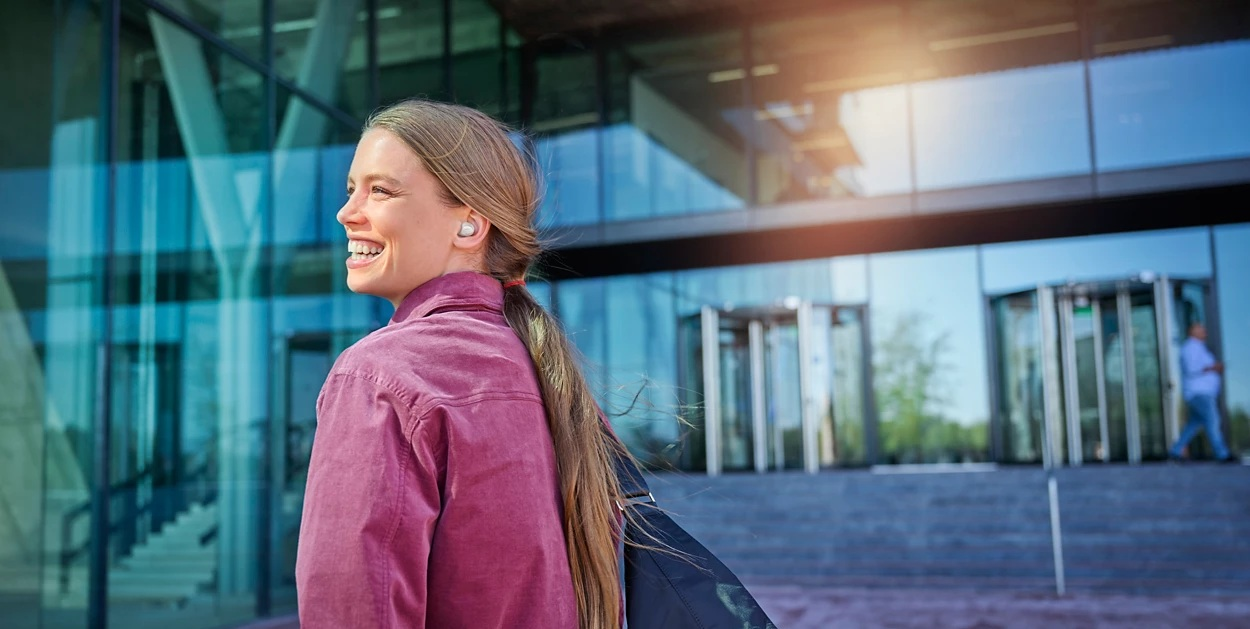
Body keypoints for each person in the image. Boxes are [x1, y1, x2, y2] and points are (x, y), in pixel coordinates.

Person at [295, 99, 626, 629]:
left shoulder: (380, 376)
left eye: (380, 190)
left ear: (470, 227)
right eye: (351, 188)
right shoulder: (551, 377)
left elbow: (353, 613)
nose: (347, 212)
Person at [1167, 322, 1234, 463]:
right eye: (1201, 329)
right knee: (1213, 421)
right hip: (1199, 393)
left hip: (1203, 393)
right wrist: (1213, 367)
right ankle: (1222, 454)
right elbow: (1192, 369)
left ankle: (1175, 451)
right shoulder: (1190, 348)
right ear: (1192, 332)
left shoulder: (1200, 349)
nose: (1204, 331)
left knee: (1193, 425)